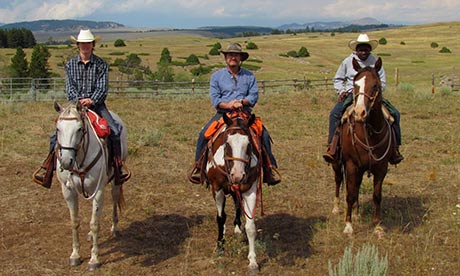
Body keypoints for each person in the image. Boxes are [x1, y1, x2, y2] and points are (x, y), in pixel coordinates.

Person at [32, 29, 130, 188]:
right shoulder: (70, 64)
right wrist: (78, 101)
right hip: (75, 106)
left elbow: (102, 88)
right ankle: (48, 168)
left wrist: (91, 100)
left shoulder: (101, 64)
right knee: (55, 135)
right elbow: (69, 88)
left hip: (96, 105)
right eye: (82, 43)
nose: (85, 46)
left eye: (88, 43)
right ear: (78, 45)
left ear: (93, 45)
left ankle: (118, 167)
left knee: (115, 130)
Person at [188, 42, 281, 185]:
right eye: (230, 55)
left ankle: (269, 169)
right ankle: (199, 167)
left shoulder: (249, 76)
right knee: (204, 134)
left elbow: (254, 96)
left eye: (236, 55)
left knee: (264, 135)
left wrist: (242, 102)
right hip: (224, 114)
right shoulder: (216, 76)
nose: (233, 58)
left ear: (240, 58)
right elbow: (215, 99)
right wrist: (229, 104)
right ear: (226, 58)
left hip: (244, 114)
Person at [323, 33, 404, 165]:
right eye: (360, 49)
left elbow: (382, 82)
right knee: (335, 114)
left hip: (372, 96)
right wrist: (342, 91)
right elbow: (338, 79)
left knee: (395, 114)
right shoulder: (347, 62)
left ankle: (395, 149)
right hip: (352, 94)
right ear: (356, 50)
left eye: (366, 49)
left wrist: (375, 92)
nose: (363, 52)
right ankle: (332, 148)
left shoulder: (375, 62)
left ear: (369, 50)